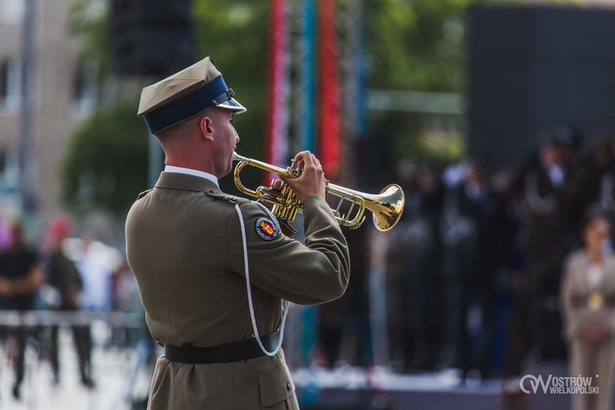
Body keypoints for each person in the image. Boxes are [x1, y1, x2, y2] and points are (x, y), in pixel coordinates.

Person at [125, 56, 351, 409]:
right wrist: (316, 203)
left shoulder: (139, 212)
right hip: (242, 392)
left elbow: (238, 276)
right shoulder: (235, 219)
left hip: (173, 392)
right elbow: (330, 277)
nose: (237, 135)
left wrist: (278, 216)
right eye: (229, 121)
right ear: (207, 129)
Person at [560, 210, 615, 410]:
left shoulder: (613, 264)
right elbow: (567, 299)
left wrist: (609, 325)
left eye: (604, 233)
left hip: (608, 334)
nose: (600, 238)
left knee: (604, 391)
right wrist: (578, 327)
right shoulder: (574, 264)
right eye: (596, 232)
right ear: (586, 234)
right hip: (582, 334)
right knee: (583, 390)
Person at [46, 215, 94, 388]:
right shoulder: (51, 258)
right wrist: (65, 291)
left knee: (80, 340)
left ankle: (83, 373)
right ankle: (55, 374)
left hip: (70, 305)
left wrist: (74, 290)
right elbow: (48, 281)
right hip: (57, 306)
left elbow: (78, 280)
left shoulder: (67, 257)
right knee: (54, 342)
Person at [0, 221, 44, 399]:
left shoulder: (30, 255)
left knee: (22, 349)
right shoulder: (4, 256)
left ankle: (17, 384)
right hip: (5, 310)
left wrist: (12, 286)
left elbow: (35, 280)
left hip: (24, 310)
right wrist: (19, 285)